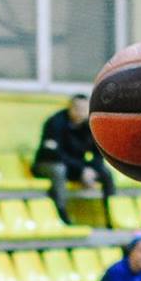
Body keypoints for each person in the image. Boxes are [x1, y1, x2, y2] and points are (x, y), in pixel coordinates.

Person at [35, 94, 114, 226]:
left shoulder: (91, 125)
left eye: (84, 109)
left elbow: (99, 152)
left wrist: (91, 169)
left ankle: (110, 213)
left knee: (106, 172)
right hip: (48, 163)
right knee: (59, 170)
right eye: (77, 108)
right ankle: (61, 214)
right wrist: (81, 170)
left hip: (75, 166)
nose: (80, 112)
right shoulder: (55, 122)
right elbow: (54, 154)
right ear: (69, 107)